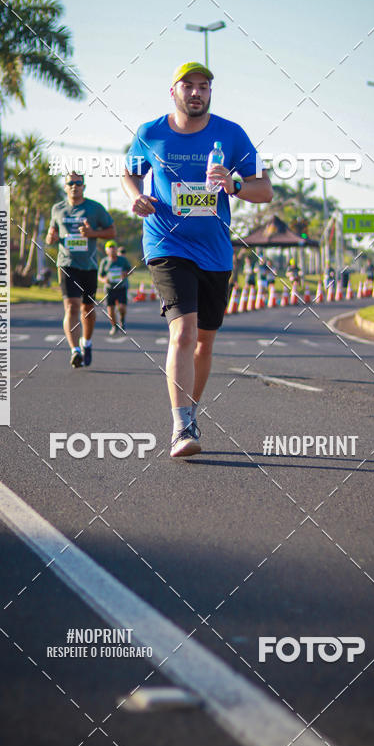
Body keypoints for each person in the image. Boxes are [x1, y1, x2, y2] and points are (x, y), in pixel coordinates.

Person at [122, 61, 272, 458]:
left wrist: (234, 184)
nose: (196, 92)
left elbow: (264, 189)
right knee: (184, 333)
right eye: (188, 86)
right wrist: (135, 196)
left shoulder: (231, 134)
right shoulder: (150, 133)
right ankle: (181, 426)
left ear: (209, 93)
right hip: (166, 244)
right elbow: (128, 172)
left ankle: (190, 412)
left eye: (203, 86)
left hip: (215, 251)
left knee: (204, 342)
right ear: (173, 91)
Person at [46, 172, 115, 367]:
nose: (74, 186)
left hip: (89, 265)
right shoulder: (57, 209)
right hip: (67, 263)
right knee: (71, 306)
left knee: (87, 309)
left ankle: (87, 342)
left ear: (84, 186)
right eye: (71, 183)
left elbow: (112, 231)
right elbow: (52, 234)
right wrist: (50, 238)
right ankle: (75, 350)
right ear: (65, 187)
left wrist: (92, 233)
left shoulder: (95, 208)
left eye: (78, 183)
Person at [98, 240, 131, 335]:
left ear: (116, 249)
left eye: (114, 248)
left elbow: (130, 270)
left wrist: (126, 273)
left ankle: (122, 320)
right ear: (106, 251)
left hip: (121, 287)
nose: (112, 250)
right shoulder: (104, 261)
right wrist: (104, 280)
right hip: (109, 288)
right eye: (110, 248)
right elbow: (100, 276)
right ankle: (114, 326)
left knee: (122, 308)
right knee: (110, 310)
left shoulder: (122, 260)